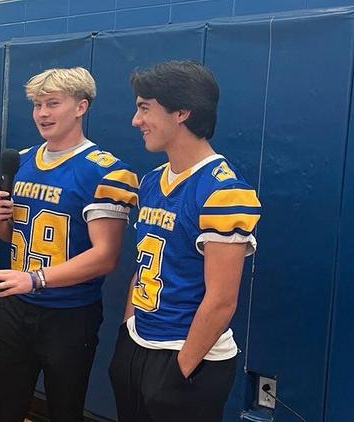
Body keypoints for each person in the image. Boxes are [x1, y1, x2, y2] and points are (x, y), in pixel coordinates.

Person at [0, 67, 138, 422]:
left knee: (64, 409)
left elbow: (105, 256)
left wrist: (37, 279)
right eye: (37, 105)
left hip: (69, 312)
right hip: (17, 305)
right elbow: (18, 239)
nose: (43, 113)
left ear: (81, 107)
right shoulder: (22, 161)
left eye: (53, 104)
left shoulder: (105, 171)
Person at [108, 61, 262, 422]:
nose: (135, 120)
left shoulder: (223, 191)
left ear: (182, 111)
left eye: (145, 107)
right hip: (139, 342)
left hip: (187, 356)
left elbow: (222, 300)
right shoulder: (151, 181)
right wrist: (128, 333)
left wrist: (179, 370)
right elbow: (145, 264)